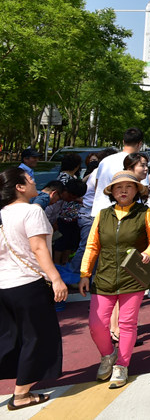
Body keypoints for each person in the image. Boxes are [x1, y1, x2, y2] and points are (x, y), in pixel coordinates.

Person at [79, 171, 150, 389]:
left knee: (127, 323)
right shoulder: (103, 215)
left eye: (129, 187)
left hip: (133, 276)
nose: (123, 190)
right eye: (118, 187)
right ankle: (108, 355)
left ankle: (122, 365)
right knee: (96, 325)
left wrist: (149, 253)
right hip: (104, 276)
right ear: (112, 192)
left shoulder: (145, 213)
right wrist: (85, 273)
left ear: (136, 191)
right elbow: (92, 246)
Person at [0, 168, 67, 410]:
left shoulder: (1, 214)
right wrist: (56, 278)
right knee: (36, 337)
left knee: (10, 338)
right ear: (19, 187)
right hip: (28, 284)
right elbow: (39, 249)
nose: (33, 182)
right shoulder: (32, 211)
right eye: (29, 180)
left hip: (4, 286)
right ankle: (21, 395)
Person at [70, 128, 145, 275]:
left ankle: (85, 279)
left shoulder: (105, 160)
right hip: (120, 215)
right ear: (140, 144)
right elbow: (142, 191)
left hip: (98, 211)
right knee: (120, 253)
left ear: (123, 141)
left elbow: (98, 186)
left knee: (95, 249)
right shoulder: (136, 162)